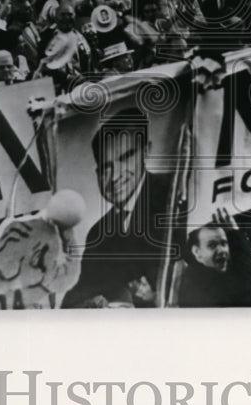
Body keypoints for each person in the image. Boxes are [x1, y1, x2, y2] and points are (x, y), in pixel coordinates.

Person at [62, 106, 173, 308]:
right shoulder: (99, 234)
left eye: (125, 158)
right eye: (106, 168)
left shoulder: (175, 196)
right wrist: (89, 304)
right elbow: (74, 300)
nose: (114, 177)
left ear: (146, 151)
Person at [178, 208, 251, 308]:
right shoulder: (196, 286)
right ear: (197, 252)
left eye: (224, 243)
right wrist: (234, 233)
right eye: (212, 245)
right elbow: (247, 284)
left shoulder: (218, 276)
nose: (221, 250)